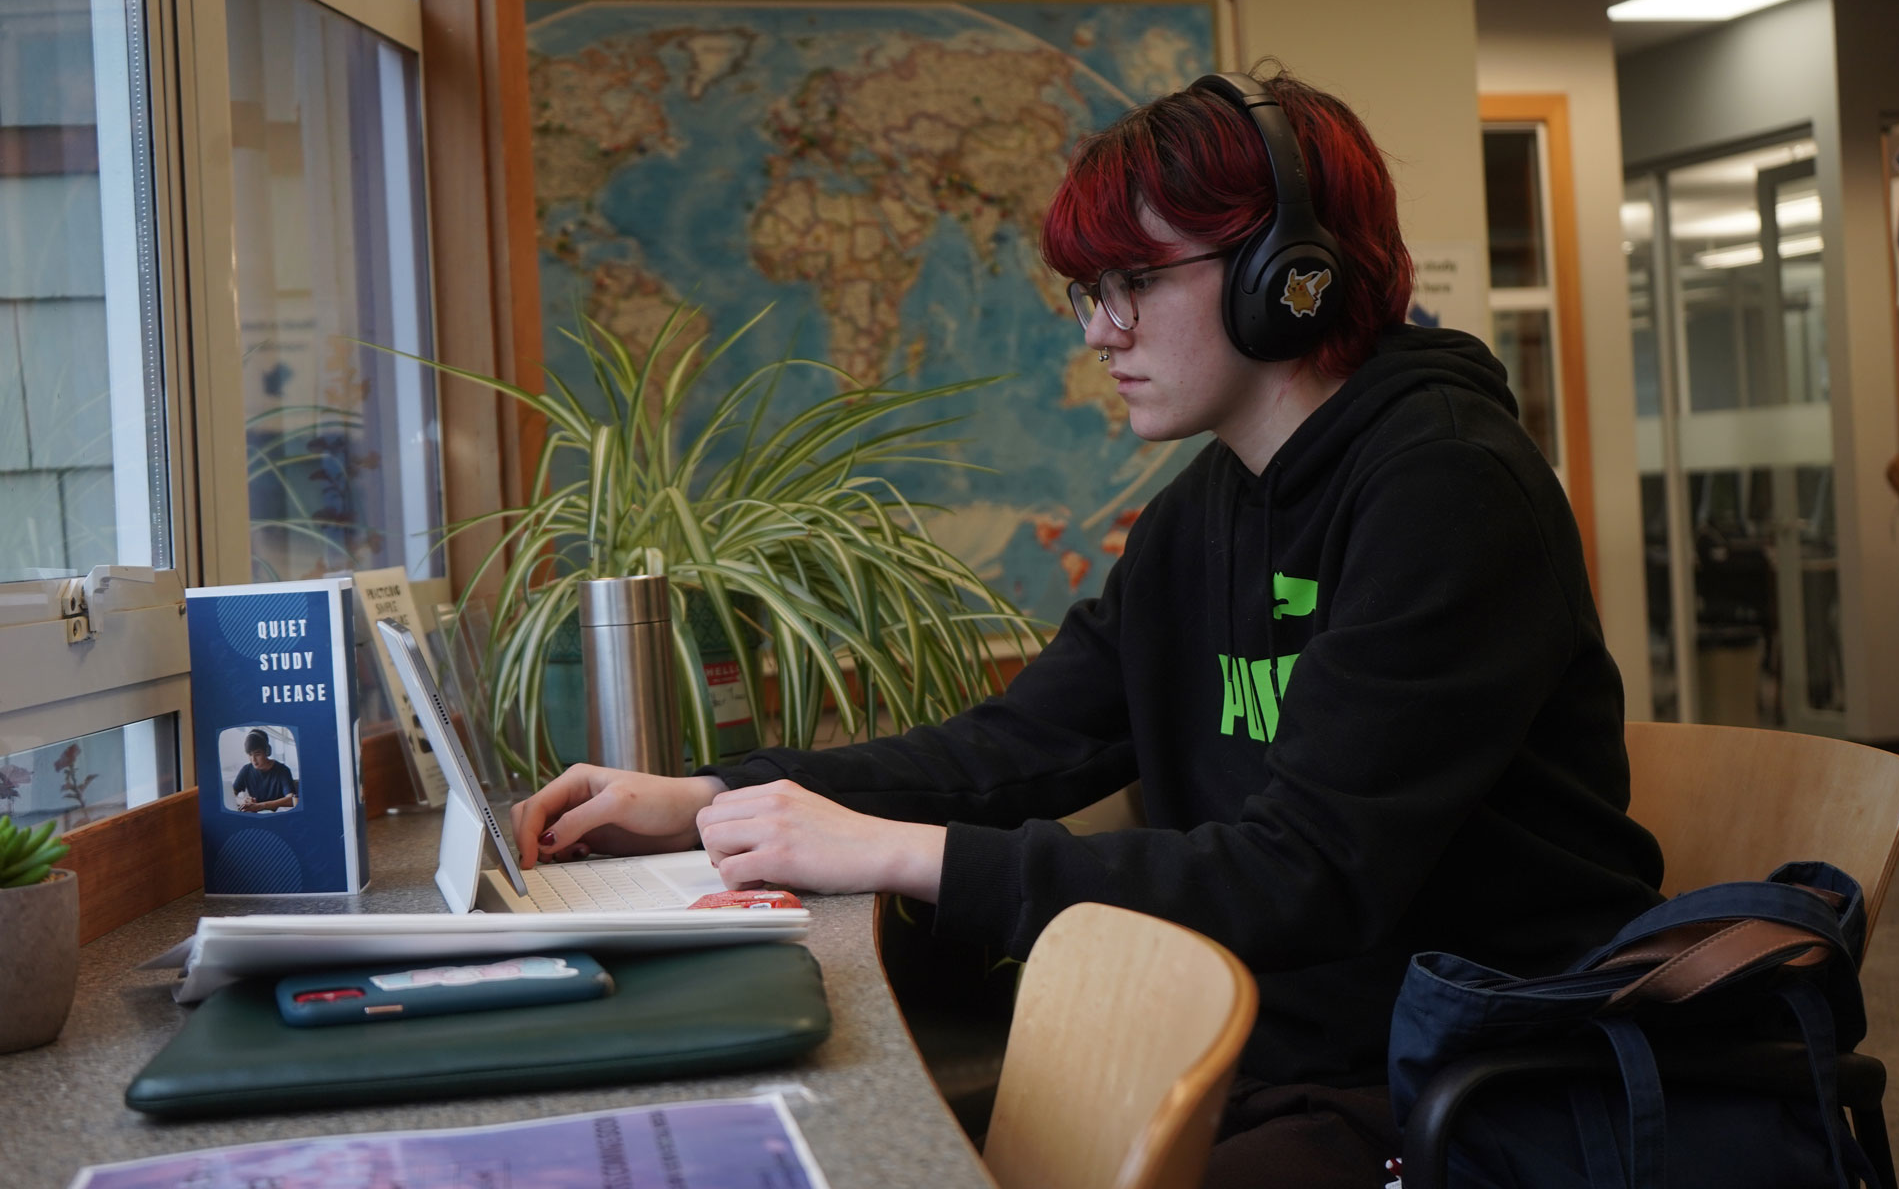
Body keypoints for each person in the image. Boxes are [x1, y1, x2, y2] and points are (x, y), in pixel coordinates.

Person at [510, 64, 1664, 1188]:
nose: (1099, 332)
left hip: (1461, 1070)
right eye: (1087, 291)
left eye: (1132, 283)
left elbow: (1306, 874)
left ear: (1286, 273)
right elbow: (1019, 744)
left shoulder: (1447, 488)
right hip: (1264, 1043)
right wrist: (716, 797)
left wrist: (897, 852)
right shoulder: (1200, 515)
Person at [233, 728, 298, 813]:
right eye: (250, 754)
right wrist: (243, 801)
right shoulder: (246, 770)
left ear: (267, 751)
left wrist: (261, 806)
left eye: (257, 753)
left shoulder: (283, 770)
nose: (253, 759)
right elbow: (232, 795)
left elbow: (291, 799)